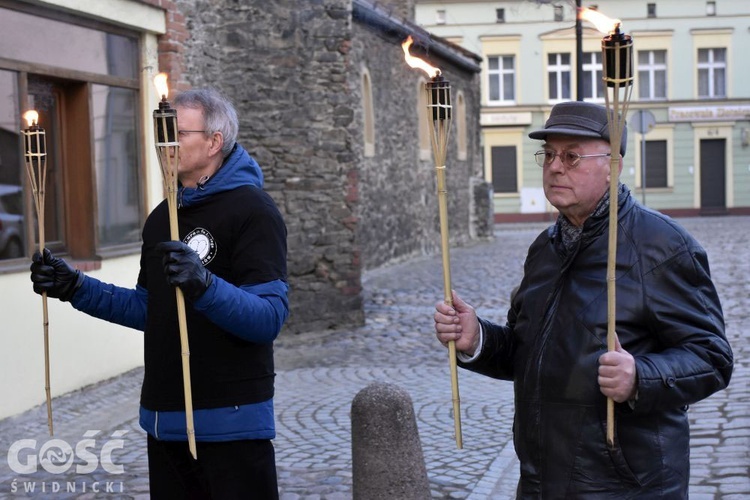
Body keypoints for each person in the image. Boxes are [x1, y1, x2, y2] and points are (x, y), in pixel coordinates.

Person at [434, 101, 733, 498]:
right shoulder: (545, 248)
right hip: (542, 481)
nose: (555, 167)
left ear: (613, 165)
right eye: (549, 155)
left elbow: (712, 357)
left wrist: (639, 377)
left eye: (572, 156)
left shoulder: (662, 246)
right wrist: (478, 340)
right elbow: (530, 356)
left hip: (625, 486)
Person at [30, 88, 288, 498]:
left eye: (177, 133)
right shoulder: (161, 217)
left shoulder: (253, 210)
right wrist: (75, 286)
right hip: (164, 420)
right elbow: (150, 310)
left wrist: (203, 285)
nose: (163, 143)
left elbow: (267, 319)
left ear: (214, 141)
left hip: (231, 421)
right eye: (160, 132)